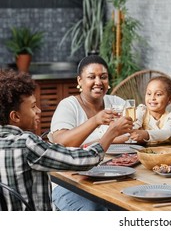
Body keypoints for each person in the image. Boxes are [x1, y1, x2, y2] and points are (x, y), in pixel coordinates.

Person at [0, 69, 133, 211]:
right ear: (15, 117)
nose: (39, 111)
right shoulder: (26, 144)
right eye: (33, 107)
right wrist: (111, 132)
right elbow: (88, 159)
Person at [49, 55, 132, 210]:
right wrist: (95, 121)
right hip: (70, 184)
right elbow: (60, 143)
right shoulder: (68, 106)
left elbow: (134, 133)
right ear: (80, 81)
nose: (98, 82)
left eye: (103, 77)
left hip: (110, 175)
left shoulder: (118, 103)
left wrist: (93, 142)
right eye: (91, 77)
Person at [128, 76, 171, 145]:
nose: (152, 98)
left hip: (166, 154)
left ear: (170, 99)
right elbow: (134, 125)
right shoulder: (142, 110)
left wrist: (146, 134)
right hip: (143, 153)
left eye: (158, 94)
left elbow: (166, 133)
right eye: (149, 94)